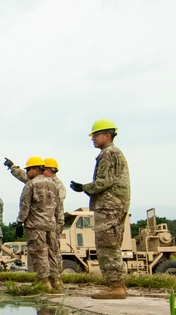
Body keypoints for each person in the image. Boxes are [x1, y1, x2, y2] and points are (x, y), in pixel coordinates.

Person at [70, 119, 131, 299]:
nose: (93, 139)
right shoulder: (113, 153)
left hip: (109, 206)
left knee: (107, 245)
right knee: (111, 244)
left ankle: (115, 286)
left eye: (95, 135)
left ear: (107, 135)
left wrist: (85, 188)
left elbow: (105, 181)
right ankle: (118, 285)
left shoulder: (109, 153)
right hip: (114, 205)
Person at [16, 158, 63, 292]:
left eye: (28, 169)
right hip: (51, 225)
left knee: (39, 253)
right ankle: (57, 281)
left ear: (36, 169)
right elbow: (58, 207)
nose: (26, 172)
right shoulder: (54, 184)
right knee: (52, 253)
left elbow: (25, 206)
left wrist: (19, 222)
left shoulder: (31, 185)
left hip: (36, 225)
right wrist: (58, 223)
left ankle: (44, 281)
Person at [42, 157, 68, 284]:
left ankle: (56, 276)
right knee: (46, 250)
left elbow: (56, 201)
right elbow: (26, 178)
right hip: (47, 221)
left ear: (49, 170)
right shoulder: (44, 182)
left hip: (54, 221)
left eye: (43, 169)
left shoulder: (58, 186)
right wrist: (14, 168)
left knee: (53, 249)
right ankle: (50, 276)